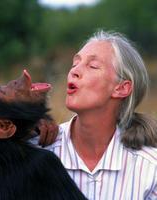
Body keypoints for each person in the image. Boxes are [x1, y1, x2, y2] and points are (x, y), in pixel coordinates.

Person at [34, 30, 157, 200]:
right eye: (74, 64)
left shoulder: (150, 170)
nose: (74, 71)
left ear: (121, 88)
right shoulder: (36, 151)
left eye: (92, 66)